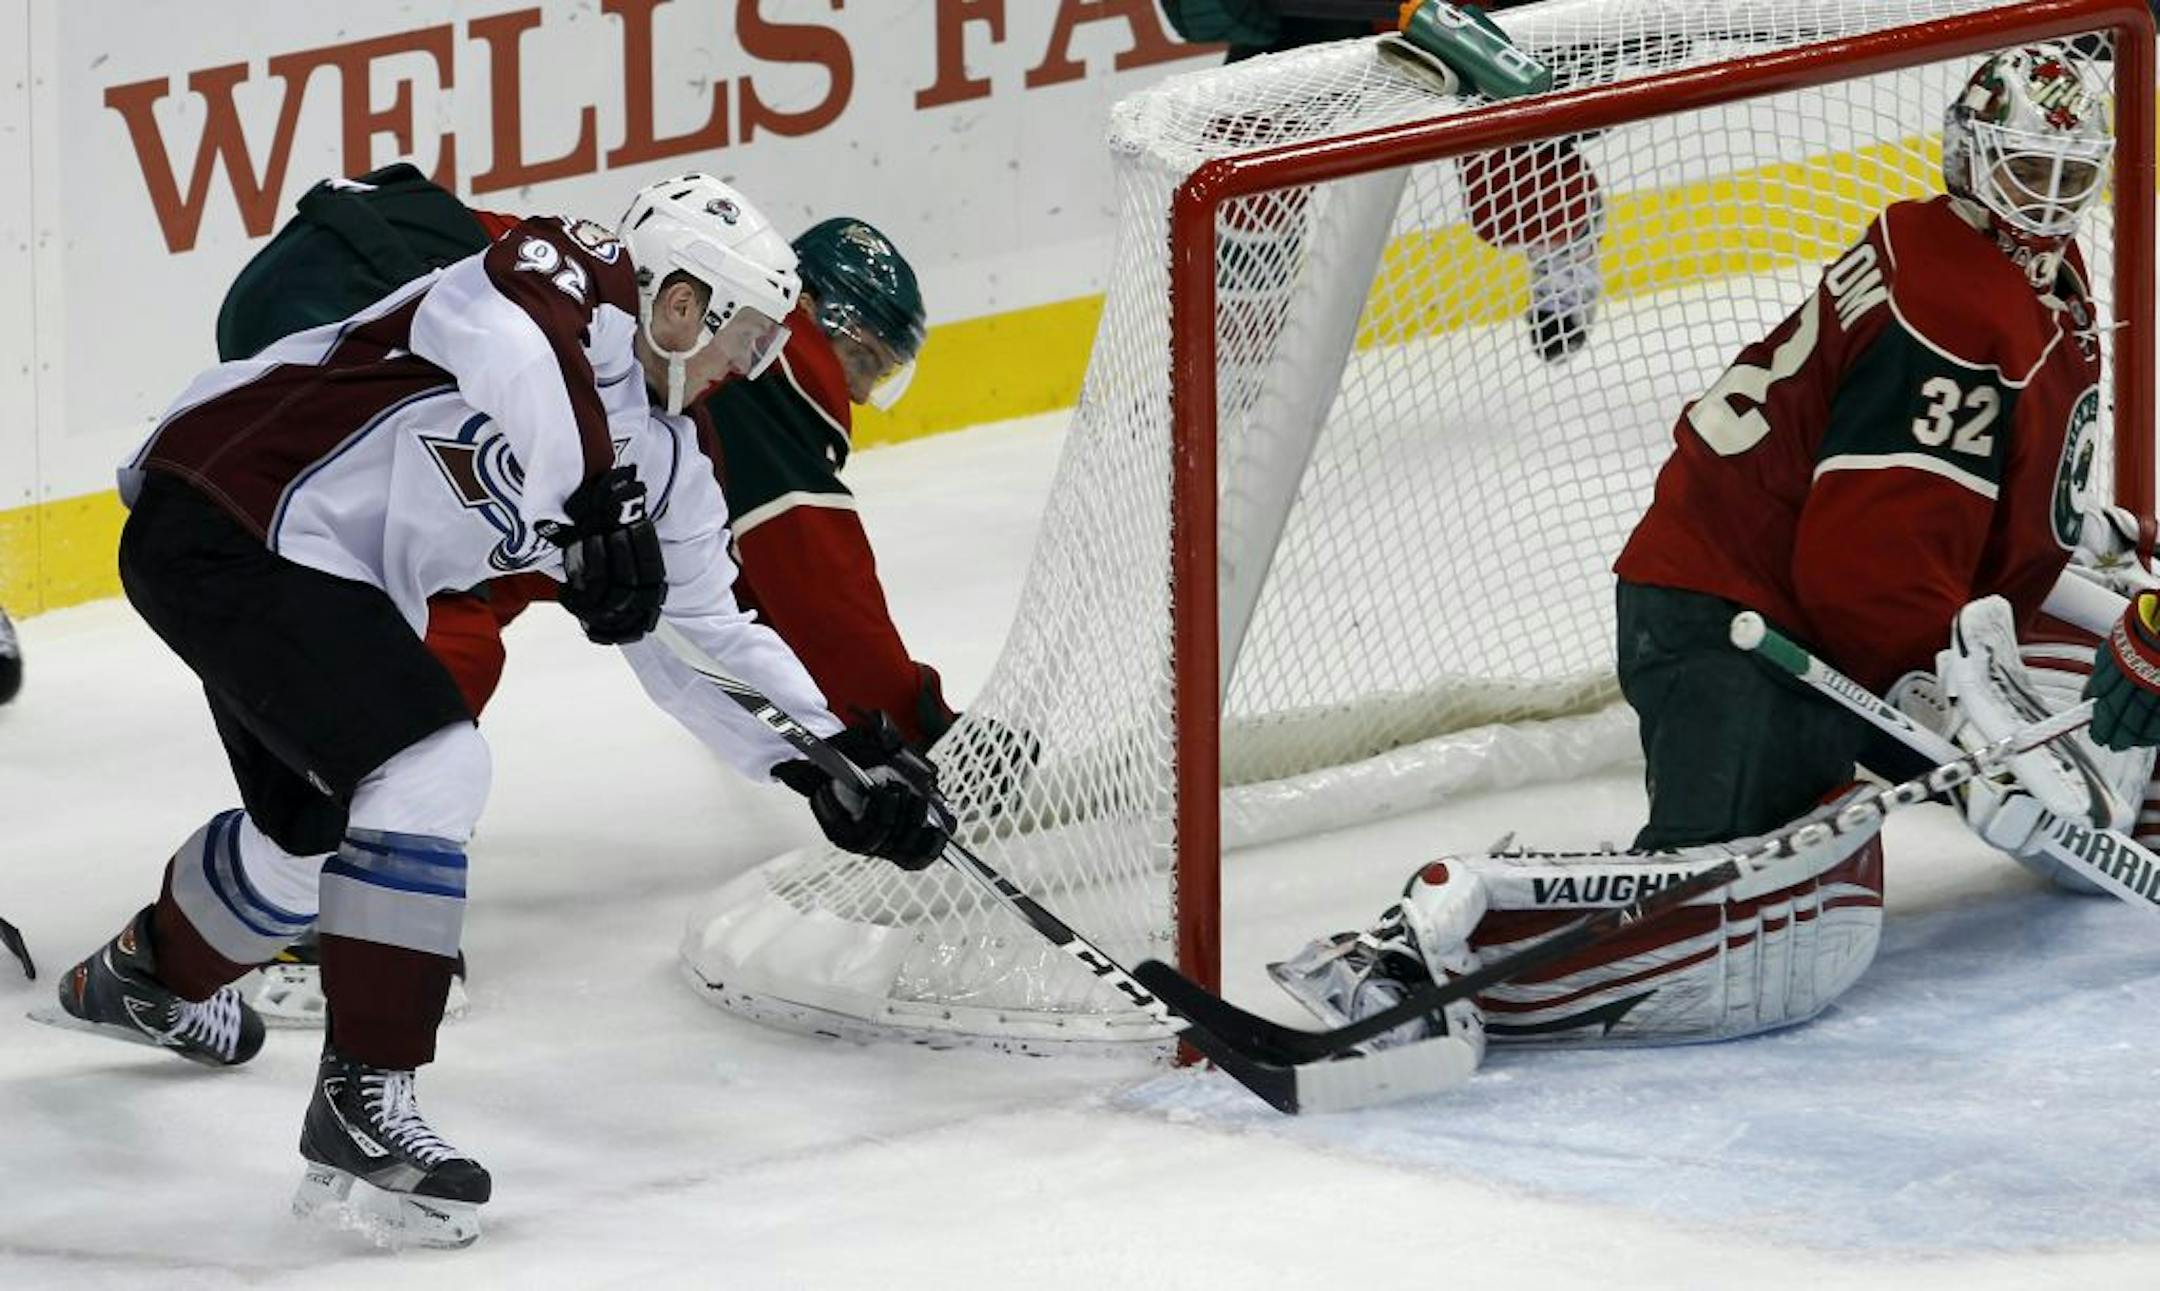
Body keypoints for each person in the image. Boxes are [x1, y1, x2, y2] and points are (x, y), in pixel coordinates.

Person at [36, 172, 949, 1247]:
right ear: (680, 301)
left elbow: (710, 641)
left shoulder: (674, 461)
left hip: (311, 578)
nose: (747, 367)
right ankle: (363, 1104)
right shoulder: (557, 276)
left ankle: (146, 976)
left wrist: (832, 761)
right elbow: (517, 353)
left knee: (306, 843)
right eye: (742, 335)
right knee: (433, 766)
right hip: (229, 506)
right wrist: (590, 506)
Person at [1269, 45, 2144, 1075]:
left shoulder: (2027, 273)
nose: (2046, 202)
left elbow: (1991, 494)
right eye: (2024, 172)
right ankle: (1417, 954)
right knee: (1789, 918)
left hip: (1866, 602)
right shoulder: (1952, 308)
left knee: (2128, 668)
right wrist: (1963, 726)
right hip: (1739, 621)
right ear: (1967, 157)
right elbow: (1866, 573)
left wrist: (2086, 557)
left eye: (2069, 175)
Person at [210, 170, 951, 1026]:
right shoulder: (771, 371)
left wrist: (828, 751)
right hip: (347, 282)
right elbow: (819, 593)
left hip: (340, 257)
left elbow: (697, 615)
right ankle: (326, 897)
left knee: (465, 578)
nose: (857, 387)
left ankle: (301, 870)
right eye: (863, 358)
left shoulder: (682, 363)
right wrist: (911, 724)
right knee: (426, 631)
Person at [1157, 0, 1606, 360]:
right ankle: (1239, 354)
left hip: (1465, 21)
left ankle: (1566, 236)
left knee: (1513, 198)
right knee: (1242, 171)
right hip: (1322, 19)